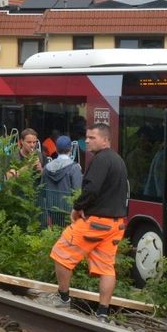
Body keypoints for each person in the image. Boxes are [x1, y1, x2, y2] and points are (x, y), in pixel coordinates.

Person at [49, 123, 129, 320]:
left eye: (92, 137)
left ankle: (63, 298)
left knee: (61, 253)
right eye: (87, 137)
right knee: (106, 267)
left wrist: (77, 207)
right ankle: (103, 312)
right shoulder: (118, 161)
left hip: (95, 222)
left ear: (105, 140)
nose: (87, 141)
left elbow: (91, 189)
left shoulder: (100, 160)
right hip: (116, 224)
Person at [39, 135, 83, 227]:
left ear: (56, 149)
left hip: (51, 212)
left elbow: (42, 192)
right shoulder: (74, 168)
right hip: (69, 213)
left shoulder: (47, 168)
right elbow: (78, 193)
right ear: (70, 149)